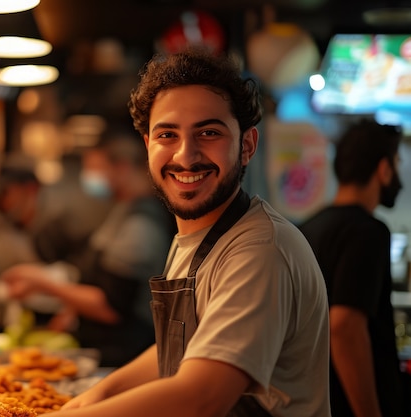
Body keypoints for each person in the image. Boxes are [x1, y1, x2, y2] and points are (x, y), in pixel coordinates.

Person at [46, 48, 331, 417]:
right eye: (167, 134)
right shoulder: (196, 237)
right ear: (149, 146)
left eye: (209, 132)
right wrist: (98, 394)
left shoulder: (260, 250)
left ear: (246, 146)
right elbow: (187, 345)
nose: (186, 155)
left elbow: (202, 396)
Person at [0, 125, 176, 367]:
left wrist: (43, 284)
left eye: (95, 168)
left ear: (122, 168)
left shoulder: (141, 225)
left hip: (125, 357)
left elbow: (110, 307)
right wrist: (72, 309)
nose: (88, 177)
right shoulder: (123, 209)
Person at [300, 119, 405, 417]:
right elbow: (345, 327)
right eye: (396, 164)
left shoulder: (309, 228)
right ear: (383, 169)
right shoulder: (368, 231)